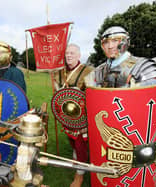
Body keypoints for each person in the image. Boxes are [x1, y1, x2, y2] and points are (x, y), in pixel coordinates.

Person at [53, 43, 94, 187]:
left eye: (72, 53)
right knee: (73, 142)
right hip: (66, 115)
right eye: (67, 53)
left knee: (80, 144)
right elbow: (57, 94)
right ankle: (79, 159)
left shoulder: (88, 71)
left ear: (79, 55)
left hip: (83, 116)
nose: (69, 56)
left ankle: (79, 175)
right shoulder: (59, 72)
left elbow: (94, 95)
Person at [85, 26, 156, 88]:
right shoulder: (98, 72)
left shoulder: (143, 66)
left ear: (125, 42)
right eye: (106, 43)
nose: (110, 46)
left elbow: (154, 93)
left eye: (115, 41)